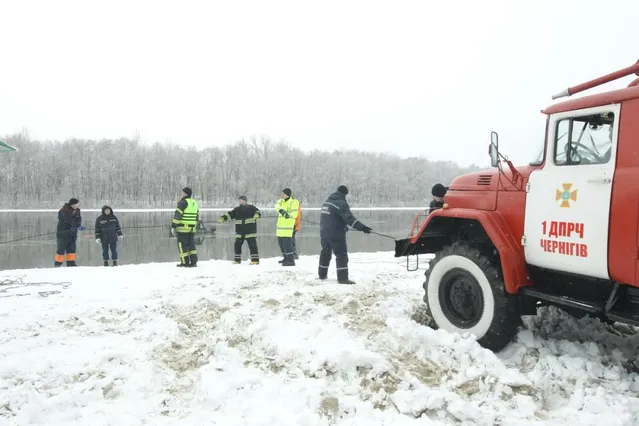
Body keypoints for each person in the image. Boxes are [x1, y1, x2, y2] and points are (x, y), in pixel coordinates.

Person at [318, 185, 371, 284]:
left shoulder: (326, 202)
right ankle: (342, 279)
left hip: (324, 233)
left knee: (325, 253)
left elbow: (330, 219)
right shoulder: (341, 204)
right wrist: (362, 228)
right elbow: (349, 219)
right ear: (345, 194)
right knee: (341, 255)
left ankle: (322, 274)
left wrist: (342, 226)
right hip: (336, 234)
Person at [218, 195, 261, 265]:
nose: (240, 201)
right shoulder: (237, 209)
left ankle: (255, 260)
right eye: (239, 200)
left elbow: (258, 212)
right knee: (237, 245)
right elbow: (230, 215)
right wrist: (222, 218)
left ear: (245, 200)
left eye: (241, 200)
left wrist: (257, 215)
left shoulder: (251, 208)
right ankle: (237, 260)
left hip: (250, 231)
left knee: (252, 245)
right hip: (240, 231)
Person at [171, 187, 199, 267]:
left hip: (183, 228)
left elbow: (177, 216)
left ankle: (185, 262)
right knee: (191, 245)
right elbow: (197, 216)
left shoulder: (183, 202)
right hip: (192, 228)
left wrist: (173, 226)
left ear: (185, 193)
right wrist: (195, 225)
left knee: (182, 245)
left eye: (182, 192)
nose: (181, 194)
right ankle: (194, 262)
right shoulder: (194, 202)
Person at [54, 198, 84, 267]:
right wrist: (73, 226)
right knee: (61, 249)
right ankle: (58, 263)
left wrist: (78, 225)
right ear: (72, 204)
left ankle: (71, 263)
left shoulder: (77, 211)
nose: (78, 205)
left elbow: (78, 219)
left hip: (72, 234)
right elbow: (68, 220)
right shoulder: (64, 210)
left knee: (71, 248)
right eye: (77, 204)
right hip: (63, 233)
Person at [275, 188, 299, 266]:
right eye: (282, 193)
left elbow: (295, 214)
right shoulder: (280, 201)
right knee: (281, 244)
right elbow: (276, 206)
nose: (282, 195)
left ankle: (291, 260)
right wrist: (282, 211)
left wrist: (288, 215)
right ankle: (285, 258)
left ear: (287, 194)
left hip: (287, 227)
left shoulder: (293, 202)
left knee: (287, 244)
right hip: (280, 227)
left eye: (283, 194)